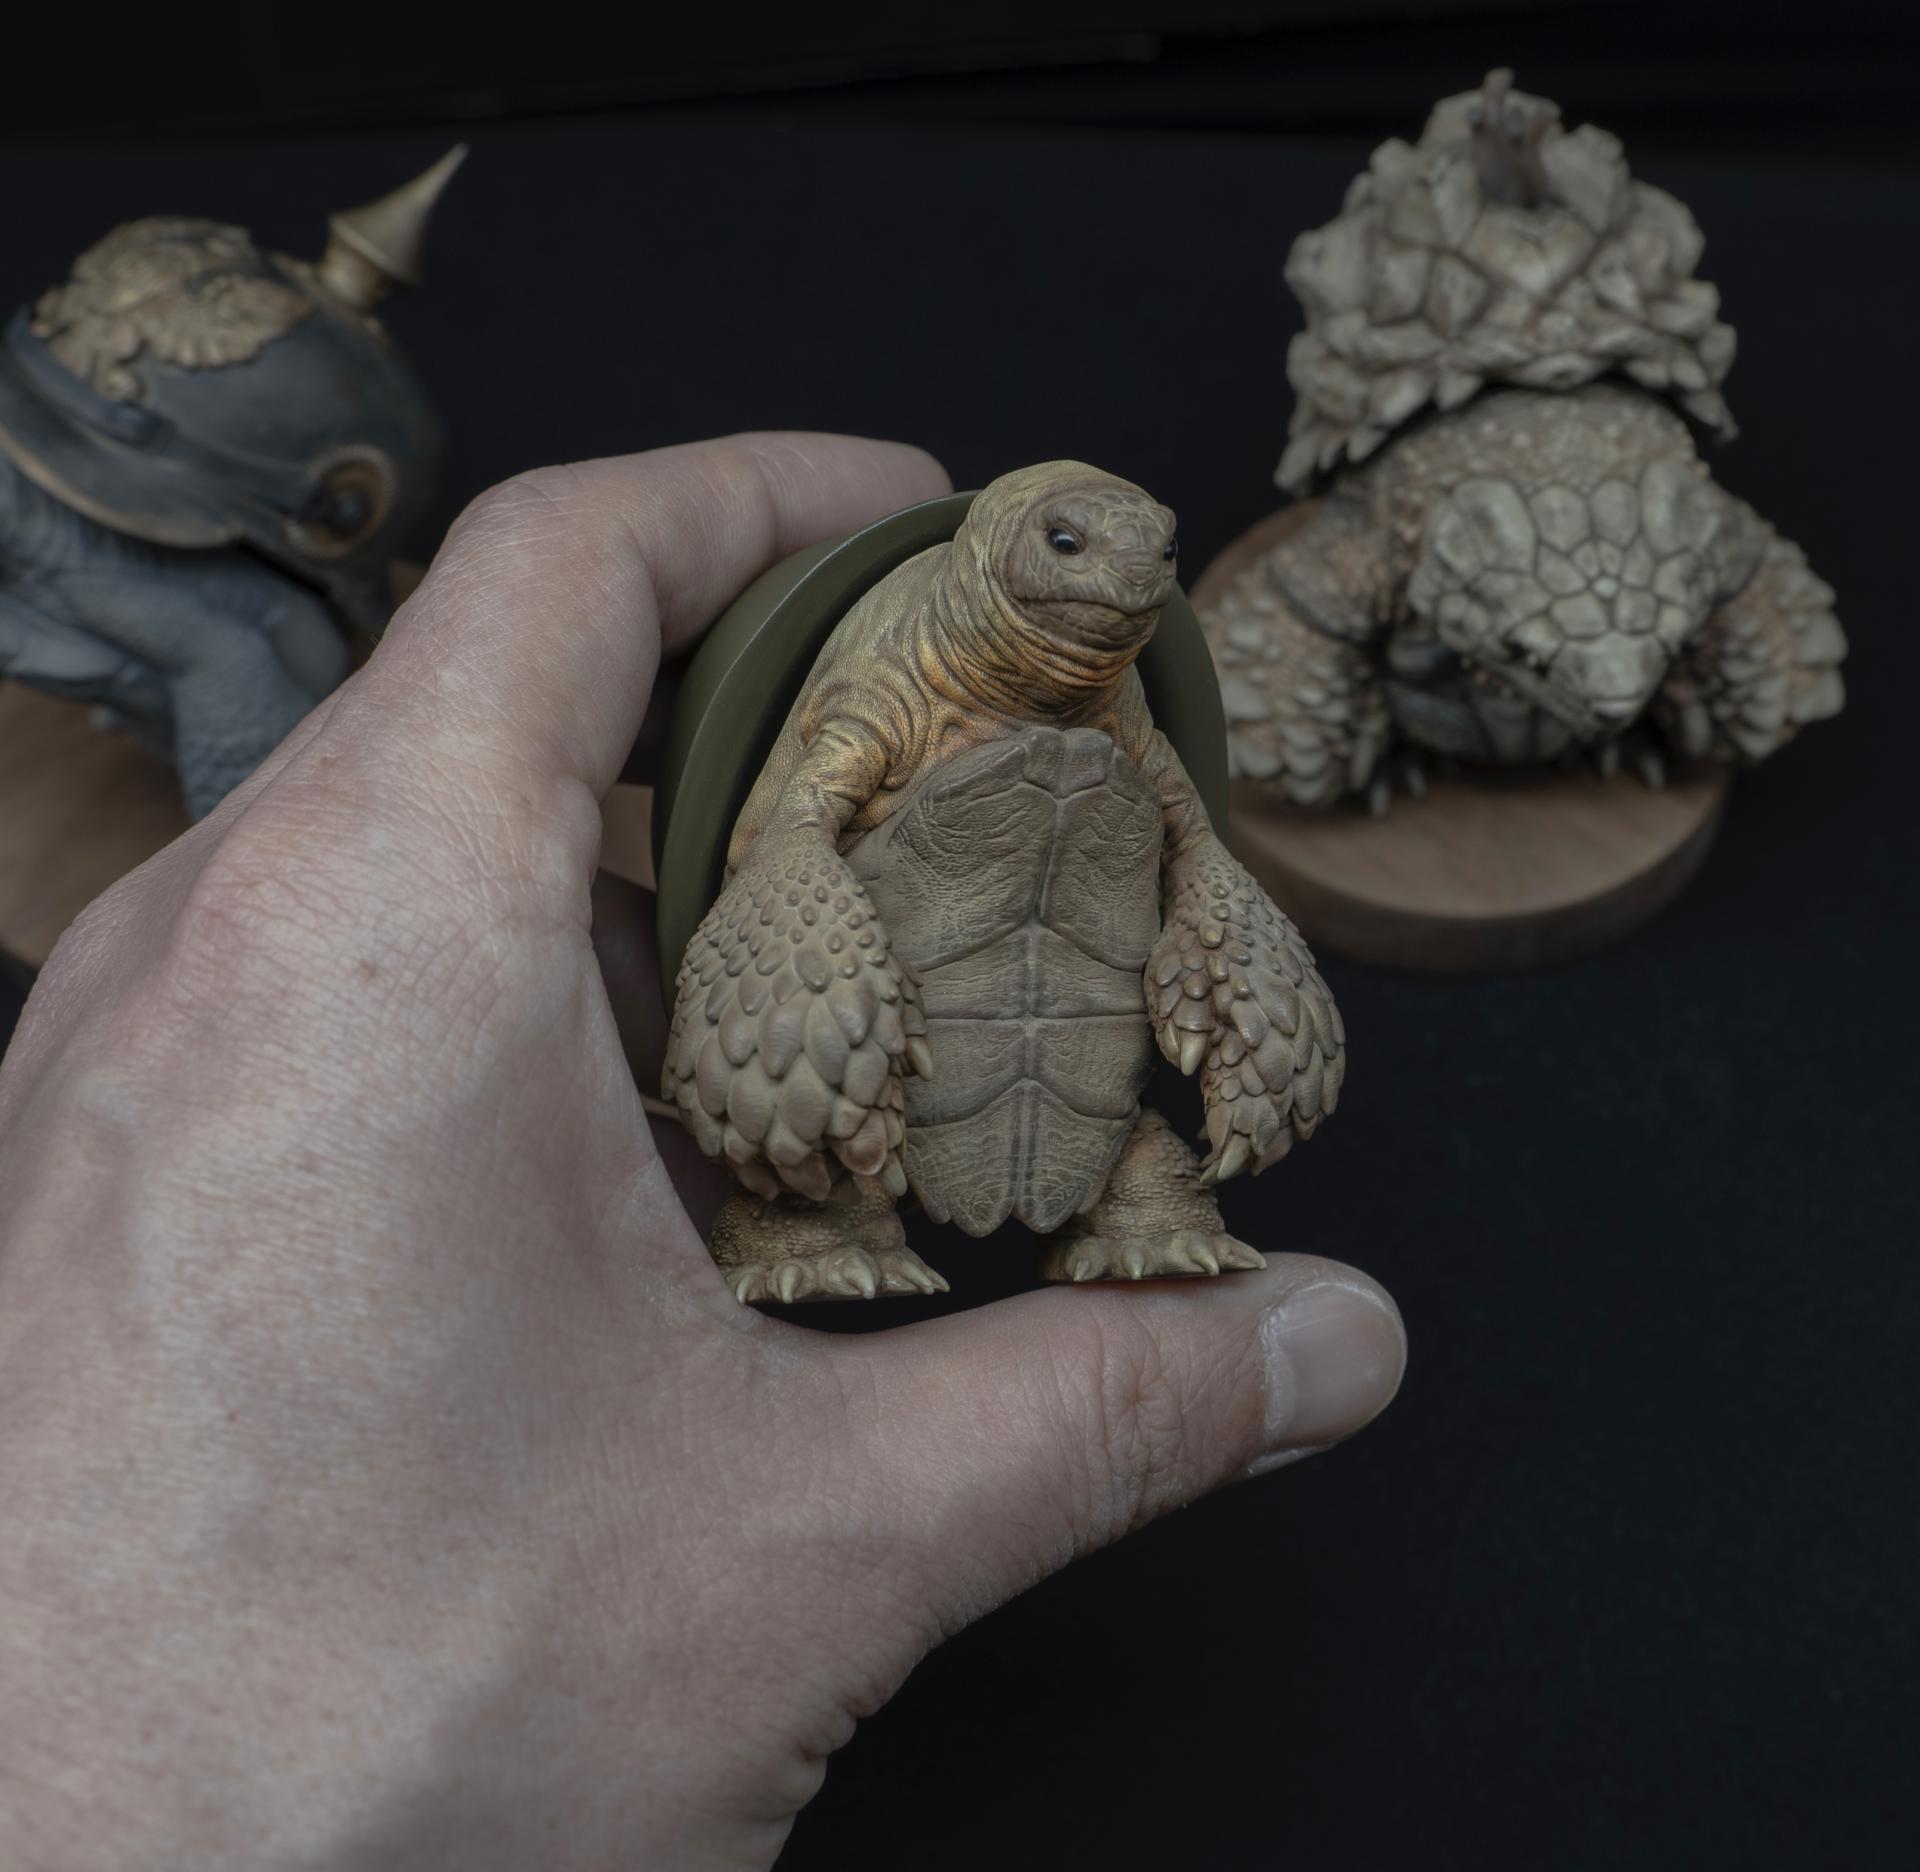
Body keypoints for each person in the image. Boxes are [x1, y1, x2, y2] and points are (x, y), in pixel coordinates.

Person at [0, 433, 1406, 1869]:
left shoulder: (1122, 702)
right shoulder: (897, 664)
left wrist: (1235, 944)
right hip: (889, 1016)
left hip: (1082, 1019)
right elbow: (789, 826)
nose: (1122, 580)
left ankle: (1130, 1178)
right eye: (1071, 545)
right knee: (800, 1098)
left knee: (1158, 1136)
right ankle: (807, 1209)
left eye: (1147, 557)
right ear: (992, 551)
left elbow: (1192, 843)